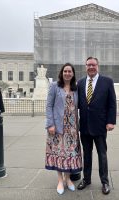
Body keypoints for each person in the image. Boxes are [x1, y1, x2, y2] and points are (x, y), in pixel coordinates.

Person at [77, 57, 117, 195]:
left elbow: (112, 104)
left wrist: (111, 121)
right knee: (86, 154)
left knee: (102, 155)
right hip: (84, 126)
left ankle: (105, 182)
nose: (91, 67)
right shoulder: (80, 83)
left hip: (100, 126)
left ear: (98, 66)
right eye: (88, 65)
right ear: (85, 67)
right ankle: (86, 179)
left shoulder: (107, 81)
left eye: (93, 64)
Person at [45, 63, 82, 195]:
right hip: (58, 127)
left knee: (70, 154)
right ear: (62, 73)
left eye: (69, 71)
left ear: (73, 74)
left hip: (72, 129)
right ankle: (60, 180)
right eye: (65, 71)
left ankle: (68, 179)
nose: (67, 73)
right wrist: (50, 124)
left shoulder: (75, 88)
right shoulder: (55, 86)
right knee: (59, 153)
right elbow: (49, 106)